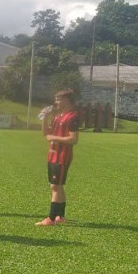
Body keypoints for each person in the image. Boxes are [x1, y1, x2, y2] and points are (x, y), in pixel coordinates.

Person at [36, 88, 79, 226]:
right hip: (53, 155)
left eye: (59, 99)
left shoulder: (72, 117)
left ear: (67, 100)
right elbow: (46, 133)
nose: (56, 102)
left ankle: (51, 218)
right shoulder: (58, 117)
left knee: (55, 186)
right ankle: (60, 216)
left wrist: (54, 137)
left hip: (62, 156)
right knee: (58, 186)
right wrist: (44, 118)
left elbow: (73, 139)